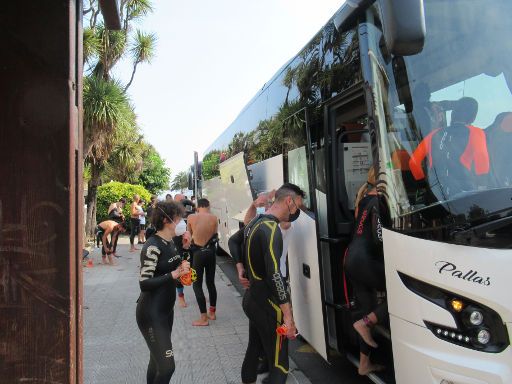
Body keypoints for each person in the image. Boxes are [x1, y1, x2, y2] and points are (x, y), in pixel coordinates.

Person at [240, 183, 303, 384]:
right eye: (297, 207)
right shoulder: (271, 228)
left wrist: (241, 268)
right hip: (268, 305)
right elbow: (275, 274)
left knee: (253, 349)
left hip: (252, 299)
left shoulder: (253, 222)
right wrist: (288, 316)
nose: (296, 212)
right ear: (289, 201)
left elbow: (239, 247)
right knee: (279, 364)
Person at [136, 201, 191, 384]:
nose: (182, 222)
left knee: (156, 361)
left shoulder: (171, 242)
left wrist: (185, 252)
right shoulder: (152, 246)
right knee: (168, 367)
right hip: (151, 313)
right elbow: (145, 283)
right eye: (179, 218)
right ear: (167, 221)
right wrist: (173, 274)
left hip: (166, 311)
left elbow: (175, 266)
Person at [344, 167, 389, 375]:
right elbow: (379, 236)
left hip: (352, 260)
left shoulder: (362, 199)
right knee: (401, 293)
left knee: (367, 308)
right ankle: (365, 323)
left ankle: (364, 365)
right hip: (366, 261)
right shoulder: (379, 201)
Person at [186, 198, 219, 326]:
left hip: (198, 254)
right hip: (211, 253)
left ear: (198, 206)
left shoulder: (191, 217)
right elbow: (215, 235)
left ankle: (203, 318)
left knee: (197, 284)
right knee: (211, 283)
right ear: (208, 205)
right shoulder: (214, 218)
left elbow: (189, 235)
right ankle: (212, 312)